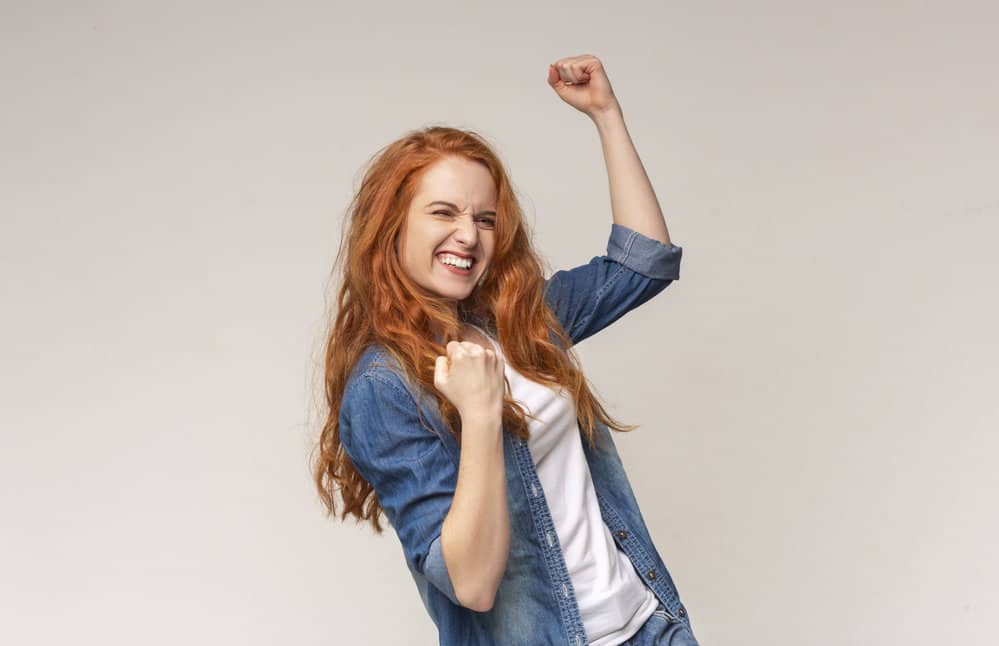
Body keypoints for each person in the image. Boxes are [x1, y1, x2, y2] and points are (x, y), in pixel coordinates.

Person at [312, 54, 700, 646]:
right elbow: (471, 583)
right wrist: (481, 414)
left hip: (649, 625)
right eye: (443, 212)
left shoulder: (518, 321)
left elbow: (643, 262)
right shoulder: (382, 388)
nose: (468, 235)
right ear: (391, 227)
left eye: (485, 218)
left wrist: (606, 115)